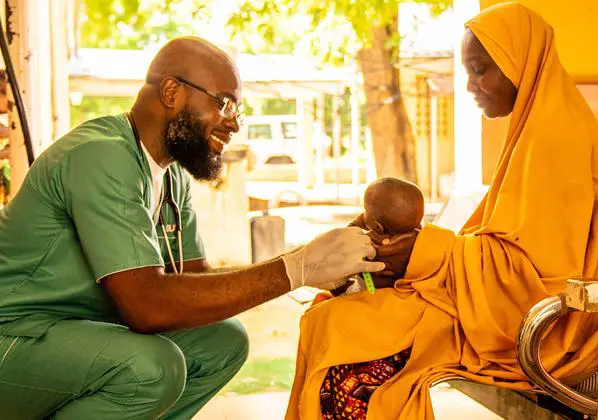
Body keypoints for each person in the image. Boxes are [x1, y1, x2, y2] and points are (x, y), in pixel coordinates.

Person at [0, 37, 384, 420]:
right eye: (225, 103)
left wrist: (313, 260)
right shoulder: (100, 154)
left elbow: (195, 288)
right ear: (171, 91)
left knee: (221, 342)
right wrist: (298, 268)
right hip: (15, 336)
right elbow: (148, 307)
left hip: (67, 334)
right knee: (150, 368)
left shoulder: (170, 177)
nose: (233, 123)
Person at [286, 3, 598, 419]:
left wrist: (427, 253)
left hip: (548, 331)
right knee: (331, 313)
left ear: (520, 64)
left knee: (346, 334)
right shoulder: (539, 130)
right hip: (500, 310)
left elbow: (539, 280)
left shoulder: (557, 139)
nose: (470, 84)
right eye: (468, 70)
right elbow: (506, 253)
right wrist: (420, 253)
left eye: (480, 69)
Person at [330, 177, 425, 296]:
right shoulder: (419, 240)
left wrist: (356, 223)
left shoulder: (372, 243)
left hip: (369, 292)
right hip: (403, 293)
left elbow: (344, 238)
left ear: (378, 226)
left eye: (365, 210)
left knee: (335, 282)